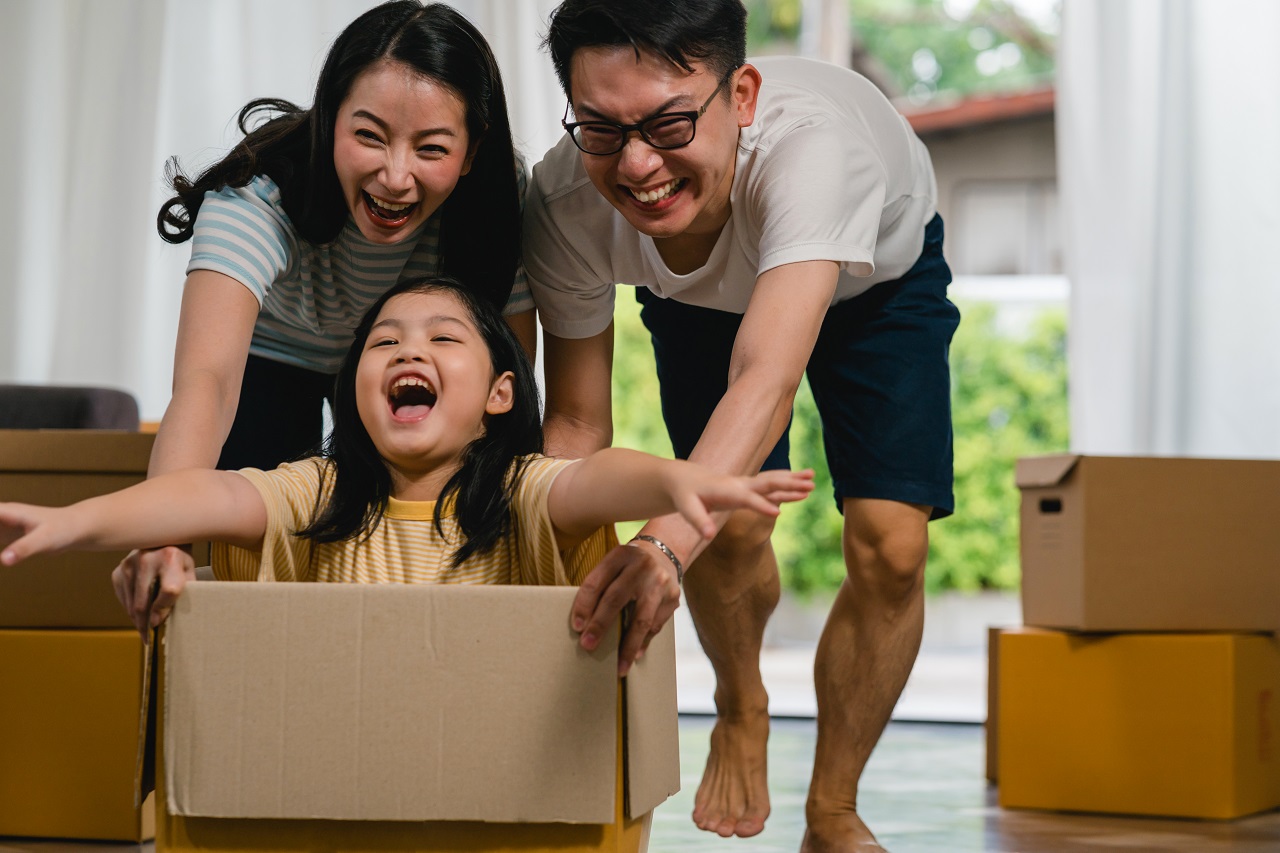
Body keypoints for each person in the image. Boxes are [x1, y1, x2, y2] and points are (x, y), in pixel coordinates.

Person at [523, 1, 960, 850]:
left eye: (670, 122)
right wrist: (535, 568)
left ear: (744, 94)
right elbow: (575, 423)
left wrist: (658, 549)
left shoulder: (814, 156)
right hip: (696, 291)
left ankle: (833, 808)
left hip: (876, 284)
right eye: (603, 128)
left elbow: (768, 376)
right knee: (724, 531)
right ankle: (741, 703)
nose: (638, 162)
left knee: (891, 544)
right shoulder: (567, 198)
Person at [0, 278, 815, 634]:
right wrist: (74, 522)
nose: (405, 349)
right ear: (353, 386)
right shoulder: (312, 493)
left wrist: (679, 477)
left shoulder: (521, 493)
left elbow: (597, 479)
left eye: (441, 339)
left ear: (500, 394)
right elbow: (197, 499)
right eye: (383, 340)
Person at [129, 1, 529, 596]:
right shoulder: (256, 196)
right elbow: (207, 383)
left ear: (471, 153)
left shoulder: (495, 202)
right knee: (257, 543)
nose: (395, 177)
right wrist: (161, 539)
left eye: (432, 149)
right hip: (274, 356)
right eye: (368, 136)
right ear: (329, 120)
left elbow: (510, 388)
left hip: (394, 363)